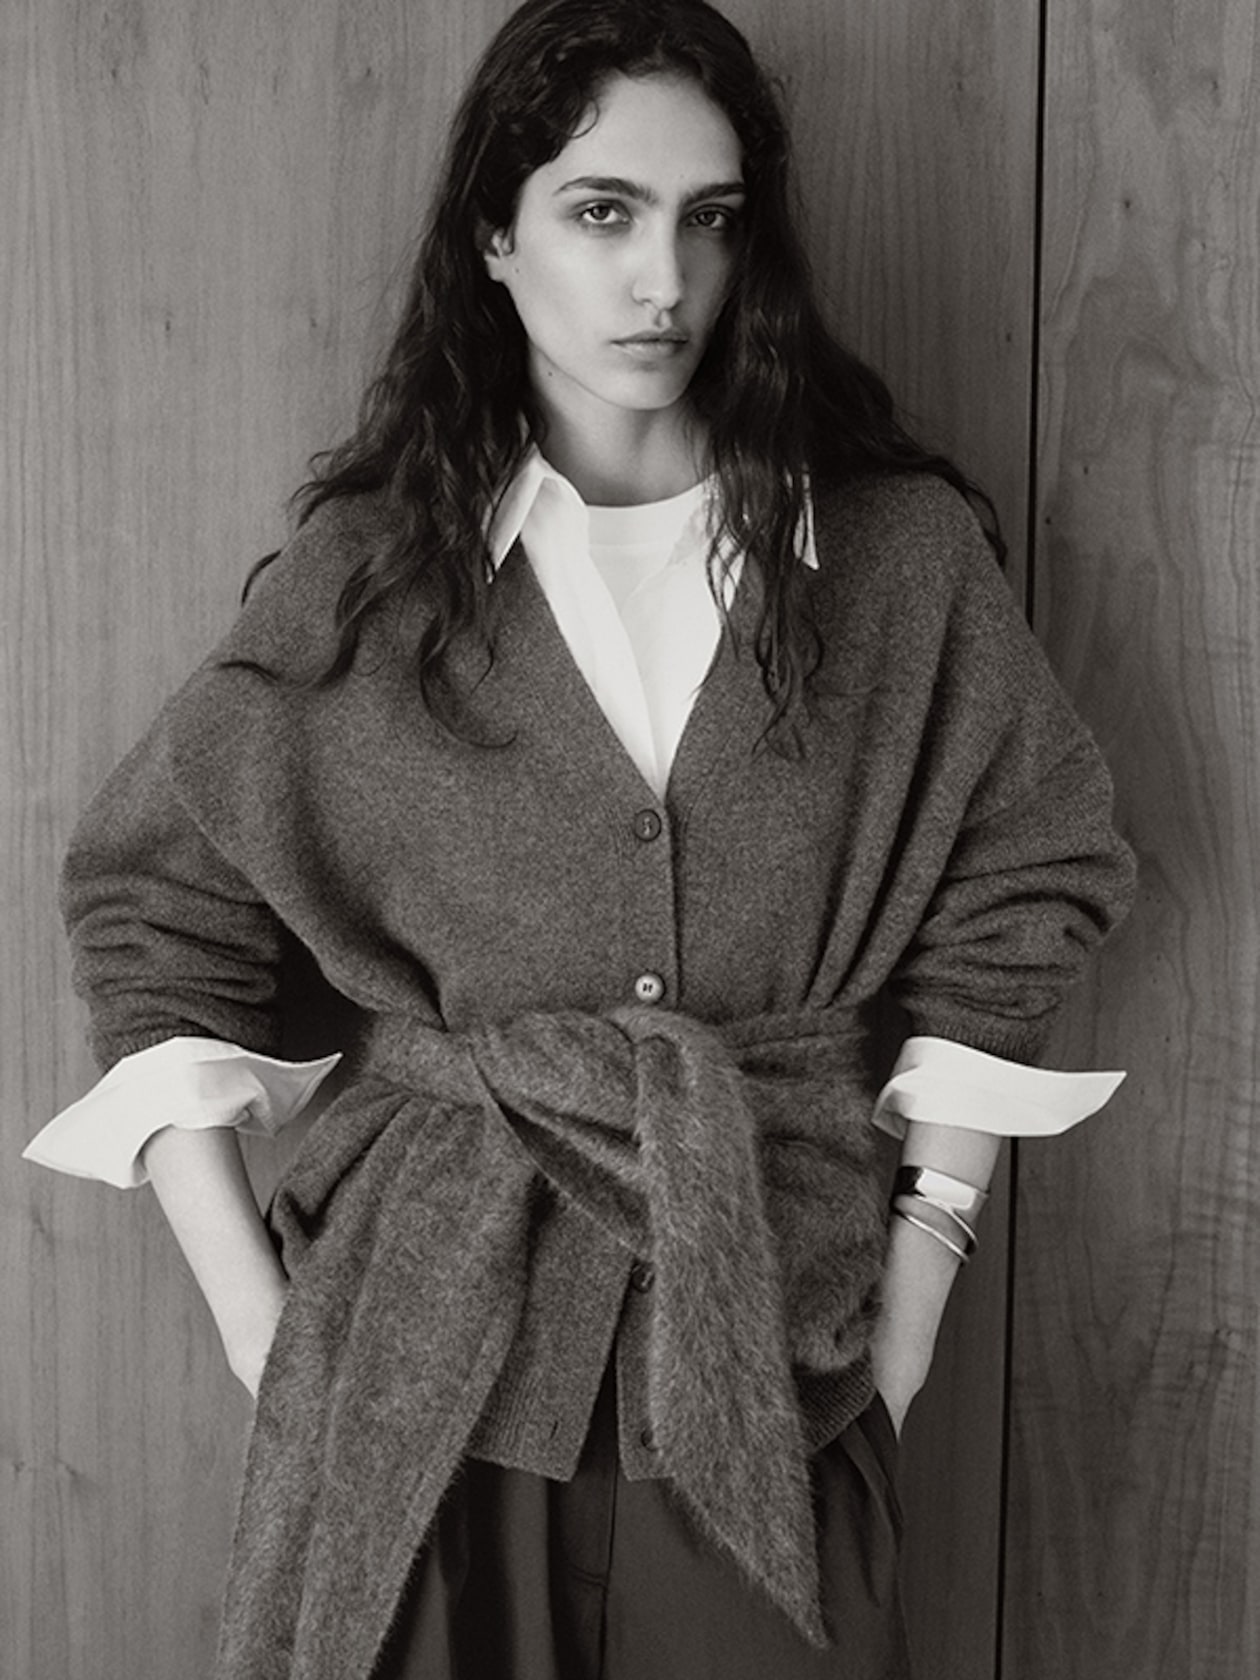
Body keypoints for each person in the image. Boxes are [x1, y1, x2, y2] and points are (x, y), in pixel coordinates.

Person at [24, 2, 1136, 1676]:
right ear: (496, 232)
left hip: (777, 1356)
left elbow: (1031, 879)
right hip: (421, 1369)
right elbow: (151, 907)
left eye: (708, 217)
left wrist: (915, 1292)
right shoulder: (374, 578)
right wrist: (270, 1332)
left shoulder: (896, 567)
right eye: (600, 211)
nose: (660, 280)